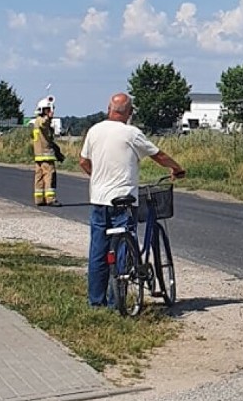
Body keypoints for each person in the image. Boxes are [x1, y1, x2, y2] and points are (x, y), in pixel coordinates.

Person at [79, 92, 185, 308]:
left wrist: (99, 178)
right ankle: (117, 300)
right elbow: (158, 155)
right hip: (124, 201)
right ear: (128, 113)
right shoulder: (131, 133)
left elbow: (83, 161)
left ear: (109, 109)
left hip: (99, 199)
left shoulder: (94, 130)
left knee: (98, 250)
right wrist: (176, 168)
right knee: (122, 250)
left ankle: (95, 301)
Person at [32, 99, 61, 207]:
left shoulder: (37, 121)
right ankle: (50, 199)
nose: (51, 112)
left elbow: (47, 139)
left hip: (39, 156)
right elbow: (43, 124)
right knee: (50, 176)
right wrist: (48, 117)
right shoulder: (41, 120)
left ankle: (39, 199)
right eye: (48, 109)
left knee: (39, 177)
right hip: (46, 156)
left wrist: (57, 151)